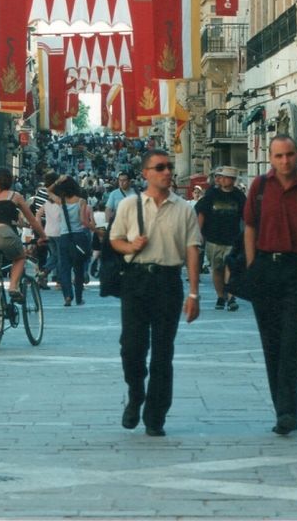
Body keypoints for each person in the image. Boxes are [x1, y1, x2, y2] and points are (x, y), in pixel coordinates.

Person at [109, 149, 201, 437]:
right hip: (135, 282)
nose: (166, 172)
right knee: (131, 348)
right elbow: (115, 240)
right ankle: (136, 393)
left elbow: (192, 249)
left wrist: (194, 293)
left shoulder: (184, 208)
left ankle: (155, 415)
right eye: (159, 167)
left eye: (169, 167)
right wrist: (130, 246)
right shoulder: (129, 205)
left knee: (163, 352)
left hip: (168, 282)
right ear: (146, 173)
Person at [243, 135, 297, 436]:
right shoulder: (260, 187)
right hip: (265, 268)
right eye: (279, 156)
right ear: (270, 157)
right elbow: (250, 226)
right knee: (271, 344)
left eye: (290, 155)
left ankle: (288, 411)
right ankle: (281, 408)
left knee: (292, 343)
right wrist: (253, 265)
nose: (285, 161)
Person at [0, 167, 47, 338]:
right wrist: (43, 236)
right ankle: (14, 286)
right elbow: (32, 220)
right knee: (20, 257)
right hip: (5, 234)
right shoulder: (15, 196)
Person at [195, 166, 246, 312]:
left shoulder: (239, 196)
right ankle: (220, 296)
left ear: (232, 180)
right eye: (220, 177)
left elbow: (247, 216)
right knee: (217, 269)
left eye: (225, 177)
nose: (221, 179)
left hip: (233, 239)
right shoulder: (212, 194)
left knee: (230, 268)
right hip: (213, 238)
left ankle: (231, 297)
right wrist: (199, 234)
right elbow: (202, 213)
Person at [54, 175, 94, 307]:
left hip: (64, 238)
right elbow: (83, 221)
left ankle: (67, 297)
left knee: (65, 268)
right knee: (78, 268)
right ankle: (78, 297)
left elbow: (48, 191)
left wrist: (57, 181)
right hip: (79, 237)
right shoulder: (81, 201)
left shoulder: (61, 201)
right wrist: (96, 230)